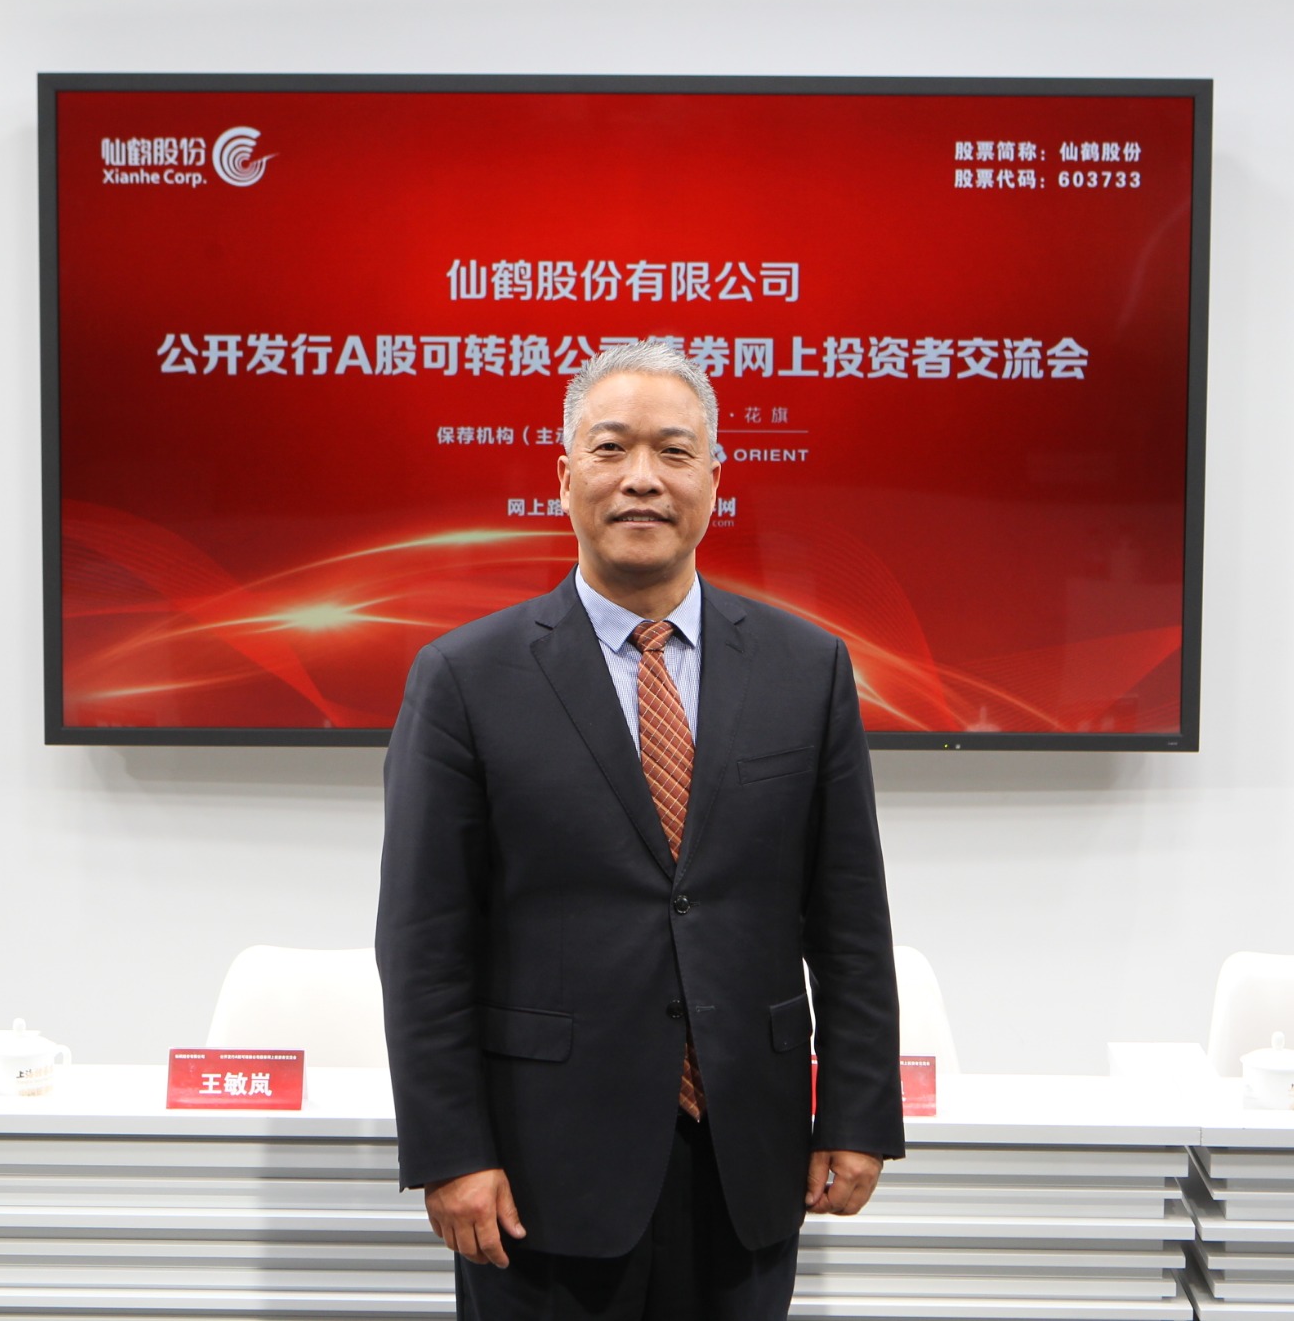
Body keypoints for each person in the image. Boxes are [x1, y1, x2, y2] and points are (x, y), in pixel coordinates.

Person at [375, 340, 904, 1320]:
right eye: (611, 448)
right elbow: (424, 944)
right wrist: (450, 1151)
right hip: (538, 1168)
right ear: (564, 475)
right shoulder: (464, 677)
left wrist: (858, 1113)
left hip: (748, 1154)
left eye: (673, 451)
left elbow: (849, 921)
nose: (642, 478)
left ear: (715, 479)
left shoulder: (807, 668)